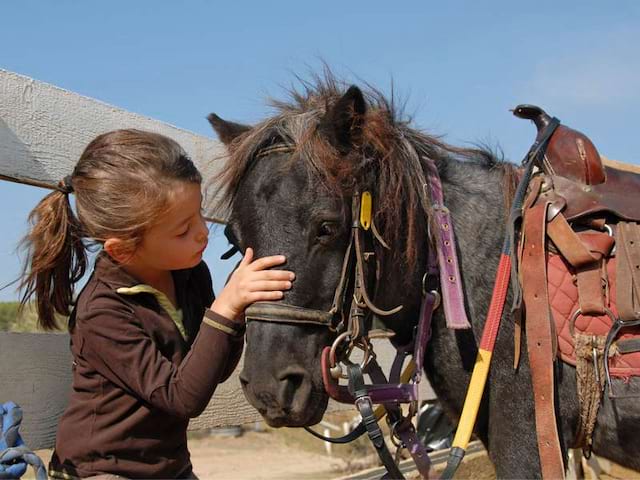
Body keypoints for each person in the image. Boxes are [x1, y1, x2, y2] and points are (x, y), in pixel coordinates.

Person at [18, 129, 293, 479]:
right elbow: (183, 399)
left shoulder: (191, 273)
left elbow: (210, 371)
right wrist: (225, 309)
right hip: (101, 471)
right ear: (122, 249)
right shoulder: (102, 311)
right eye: (182, 230)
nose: (202, 233)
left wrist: (234, 312)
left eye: (200, 214)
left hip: (170, 468)